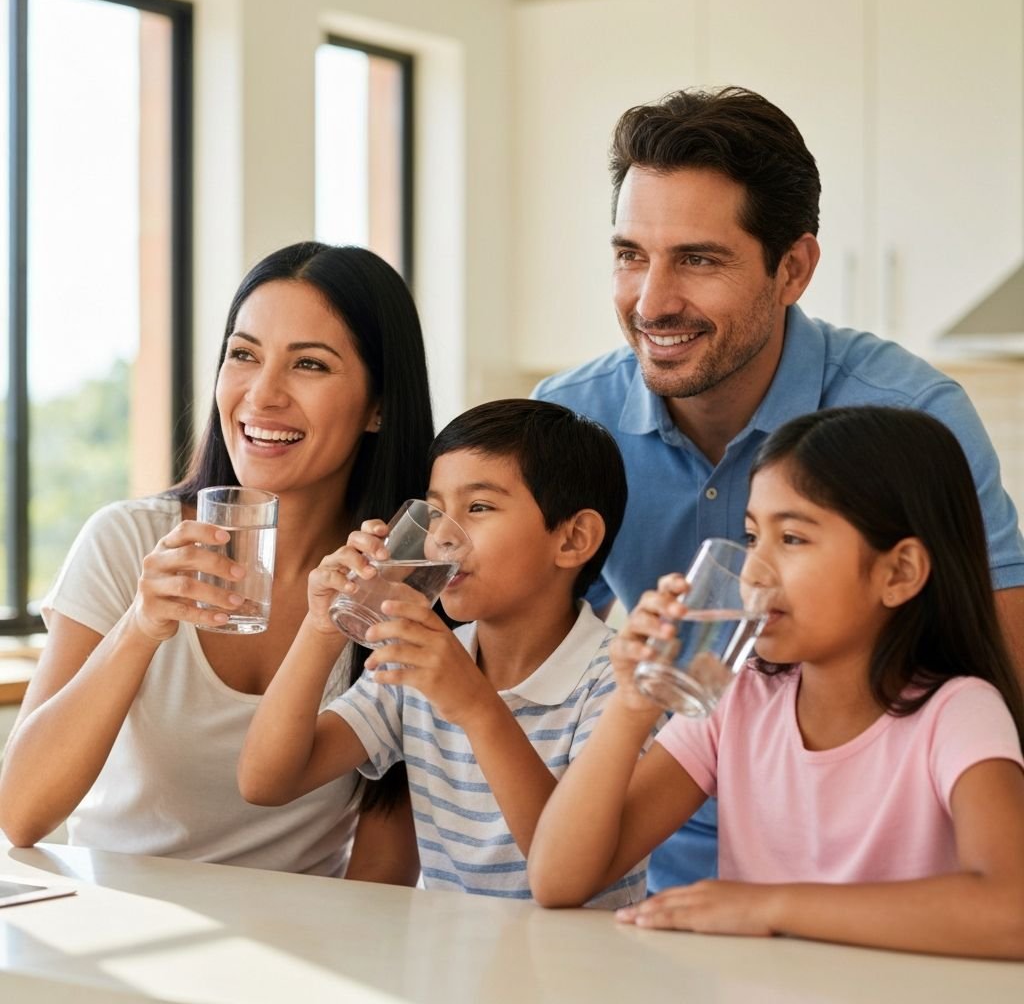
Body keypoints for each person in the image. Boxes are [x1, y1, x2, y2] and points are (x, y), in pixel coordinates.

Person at [531, 85, 1024, 892]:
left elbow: (1003, 677)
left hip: (899, 873)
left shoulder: (912, 421)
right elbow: (517, 660)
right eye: (630, 255)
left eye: (697, 258)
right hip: (663, 863)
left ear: (792, 268)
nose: (651, 302)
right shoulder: (567, 422)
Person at [0, 241, 432, 882]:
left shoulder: (396, 581)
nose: (262, 394)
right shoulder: (126, 541)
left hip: (301, 952)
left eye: (309, 364)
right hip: (119, 936)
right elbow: (21, 813)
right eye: (243, 355)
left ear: (379, 406)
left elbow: (384, 869)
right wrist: (141, 626)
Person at [529, 406, 1024, 959]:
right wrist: (631, 704)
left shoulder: (957, 713)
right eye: (750, 535)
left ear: (899, 573)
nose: (753, 571)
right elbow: (559, 879)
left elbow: (1012, 911)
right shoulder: (738, 698)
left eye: (791, 538)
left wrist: (768, 907)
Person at [238, 398, 652, 905]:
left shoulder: (621, 682)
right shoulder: (421, 662)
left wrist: (476, 707)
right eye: (435, 511)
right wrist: (321, 629)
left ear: (573, 539)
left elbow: (570, 871)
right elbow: (266, 780)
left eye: (478, 507)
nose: (440, 539)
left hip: (583, 972)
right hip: (451, 967)